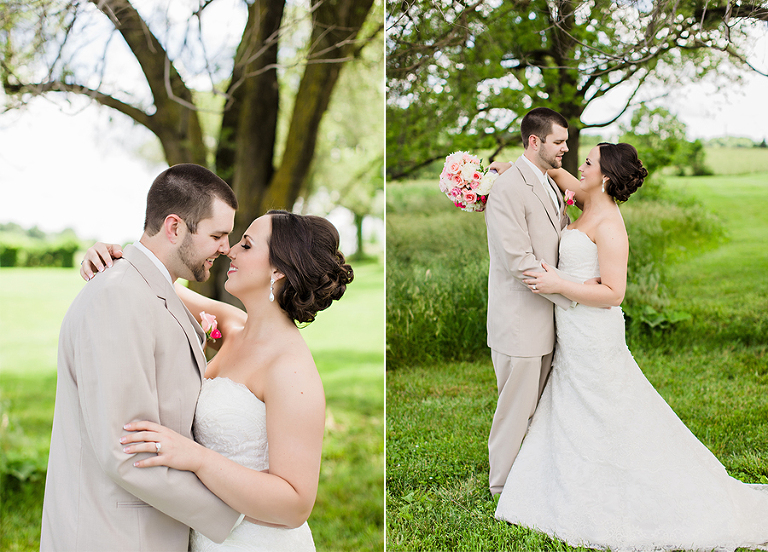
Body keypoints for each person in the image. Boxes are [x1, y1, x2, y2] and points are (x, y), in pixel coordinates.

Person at [493, 143, 768, 549]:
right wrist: (507, 170)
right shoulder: (586, 196)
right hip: (570, 327)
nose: (578, 165)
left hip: (593, 334)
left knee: (606, 408)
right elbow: (551, 174)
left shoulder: (609, 226)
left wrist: (558, 284)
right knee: (573, 403)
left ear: (604, 176)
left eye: (587, 161)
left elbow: (614, 292)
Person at [80, 210, 353, 551]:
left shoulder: (291, 370)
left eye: (247, 244)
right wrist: (114, 258)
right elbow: (150, 282)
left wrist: (196, 458)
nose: (230, 250)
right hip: (204, 536)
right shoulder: (232, 326)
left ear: (279, 269)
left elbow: (295, 505)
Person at [41, 164, 242, 551]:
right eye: (217, 235)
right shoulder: (119, 296)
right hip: (114, 536)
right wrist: (235, 515)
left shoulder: (144, 288)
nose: (226, 248)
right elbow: (128, 449)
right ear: (174, 227)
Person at [484, 107, 591, 495]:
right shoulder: (507, 188)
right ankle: (502, 488)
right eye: (559, 142)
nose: (565, 148)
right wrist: (571, 290)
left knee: (536, 407)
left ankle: (529, 478)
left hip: (546, 318)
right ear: (535, 141)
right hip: (519, 320)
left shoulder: (545, 182)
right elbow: (518, 261)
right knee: (515, 409)